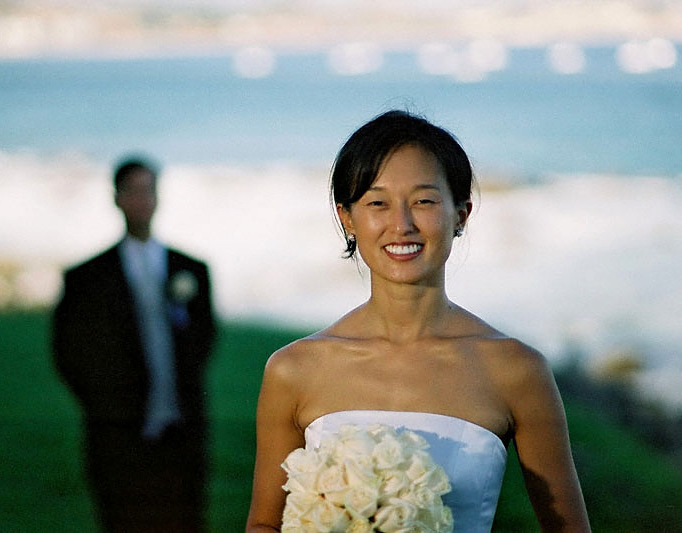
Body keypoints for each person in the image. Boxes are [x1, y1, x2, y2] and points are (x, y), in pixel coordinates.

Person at [245, 111, 590, 532]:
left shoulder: (516, 370)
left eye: (424, 201)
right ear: (347, 218)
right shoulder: (293, 370)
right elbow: (265, 523)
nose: (402, 224)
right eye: (377, 203)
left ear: (461, 214)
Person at [52, 157, 215, 532]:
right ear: (117, 198)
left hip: (182, 430)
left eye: (149, 190)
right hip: (117, 435)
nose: (142, 199)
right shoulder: (86, 278)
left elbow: (205, 338)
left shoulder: (192, 270)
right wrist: (105, 403)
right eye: (133, 191)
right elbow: (67, 352)